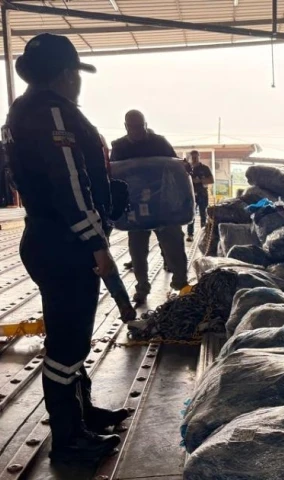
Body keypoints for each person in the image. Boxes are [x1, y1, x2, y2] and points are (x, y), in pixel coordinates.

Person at [2, 33, 127, 463]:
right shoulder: (53, 112)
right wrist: (96, 243)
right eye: (76, 72)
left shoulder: (26, 109)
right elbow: (69, 185)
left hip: (50, 237)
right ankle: (68, 439)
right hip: (64, 241)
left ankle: (82, 413)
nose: (78, 81)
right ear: (65, 74)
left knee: (72, 338)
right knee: (67, 345)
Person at [110, 110, 190, 303]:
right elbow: (114, 174)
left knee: (174, 245)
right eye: (132, 127)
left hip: (162, 205)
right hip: (135, 206)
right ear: (126, 126)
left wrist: (184, 167)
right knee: (137, 250)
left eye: (140, 126)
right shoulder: (119, 146)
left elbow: (175, 167)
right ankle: (142, 287)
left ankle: (181, 284)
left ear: (146, 125)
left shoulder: (159, 142)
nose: (137, 130)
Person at [186, 150, 213, 242]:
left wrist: (200, 181)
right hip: (191, 195)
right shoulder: (187, 168)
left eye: (196, 157)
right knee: (190, 215)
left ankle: (204, 235)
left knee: (204, 214)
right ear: (189, 158)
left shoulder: (205, 168)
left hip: (202, 194)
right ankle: (190, 235)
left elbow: (211, 180)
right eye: (192, 157)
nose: (194, 159)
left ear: (199, 157)